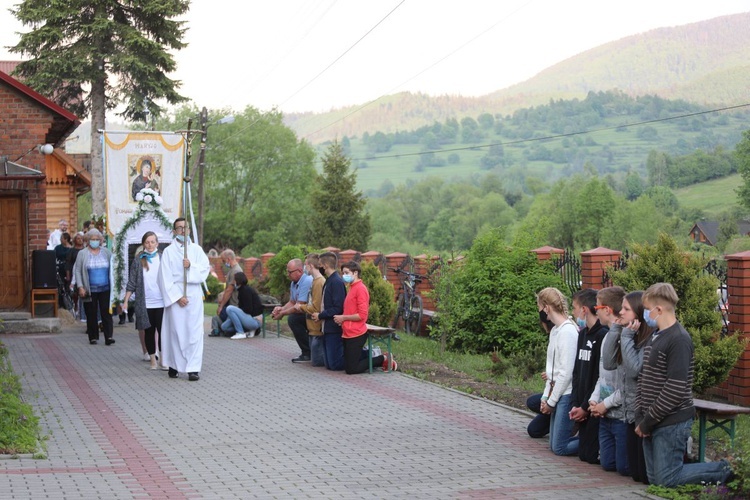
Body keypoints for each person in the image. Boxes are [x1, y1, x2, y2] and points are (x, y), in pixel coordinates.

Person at [635, 283, 733, 487]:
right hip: (651, 420)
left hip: (672, 420)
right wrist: (640, 416)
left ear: (659, 309)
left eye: (647, 310)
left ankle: (724, 470)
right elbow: (644, 378)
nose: (645, 314)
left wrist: (648, 420)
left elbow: (675, 388)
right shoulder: (654, 337)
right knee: (655, 479)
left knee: (667, 478)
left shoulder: (679, 339)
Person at [157, 218, 210, 381]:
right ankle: (174, 364)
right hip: (176, 295)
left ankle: (193, 368)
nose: (182, 231)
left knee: (193, 332)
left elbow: (204, 270)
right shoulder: (168, 252)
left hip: (193, 293)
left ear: (188, 230)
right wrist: (177, 297)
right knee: (176, 332)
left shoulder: (197, 250)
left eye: (185, 228)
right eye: (179, 228)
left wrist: (190, 266)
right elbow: (163, 278)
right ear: (174, 231)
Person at [612, 290, 653, 484]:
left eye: (626, 309)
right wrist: (616, 330)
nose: (620, 312)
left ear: (638, 314)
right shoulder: (628, 335)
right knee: (633, 473)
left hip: (641, 413)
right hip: (628, 414)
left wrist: (626, 337)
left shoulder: (647, 340)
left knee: (642, 475)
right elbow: (608, 363)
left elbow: (636, 370)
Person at [589, 286, 629, 476]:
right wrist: (595, 399)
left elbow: (626, 385)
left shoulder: (623, 338)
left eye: (596, 308)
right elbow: (602, 375)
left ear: (607, 310)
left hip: (619, 415)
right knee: (607, 464)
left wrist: (605, 404)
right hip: (605, 415)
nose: (595, 312)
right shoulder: (607, 337)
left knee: (623, 468)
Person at [537, 287, 578, 456]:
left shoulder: (568, 332)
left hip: (566, 393)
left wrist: (552, 402)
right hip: (556, 391)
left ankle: (594, 441)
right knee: (553, 445)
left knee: (559, 447)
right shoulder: (555, 330)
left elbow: (565, 373)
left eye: (539, 308)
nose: (539, 312)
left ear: (546, 307)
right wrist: (545, 397)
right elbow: (551, 369)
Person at [568, 288, 608, 464]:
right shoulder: (582, 333)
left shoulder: (602, 334)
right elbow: (577, 372)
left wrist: (585, 407)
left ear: (584, 309)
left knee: (589, 456)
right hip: (582, 404)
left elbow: (597, 376)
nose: (573, 312)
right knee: (583, 455)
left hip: (593, 405)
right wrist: (576, 404)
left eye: (574, 307)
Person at [334, 261, 395, 374]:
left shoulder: (360, 289)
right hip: (347, 331)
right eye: (343, 273)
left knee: (352, 369)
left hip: (356, 332)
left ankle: (383, 358)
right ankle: (374, 355)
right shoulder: (351, 288)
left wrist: (343, 318)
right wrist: (342, 320)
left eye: (347, 272)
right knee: (347, 364)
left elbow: (362, 315)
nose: (344, 276)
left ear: (355, 272)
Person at [123, 232, 166, 370]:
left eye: (153, 242)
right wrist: (125, 301)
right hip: (145, 303)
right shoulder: (138, 260)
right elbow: (132, 282)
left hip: (161, 302)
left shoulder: (162, 258)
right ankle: (152, 358)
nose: (150, 245)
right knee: (149, 331)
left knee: (162, 331)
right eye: (147, 242)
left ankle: (163, 358)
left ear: (157, 243)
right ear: (143, 244)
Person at [73, 228, 115, 345]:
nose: (95, 241)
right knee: (91, 313)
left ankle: (109, 336)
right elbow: (77, 271)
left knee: (106, 313)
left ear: (101, 240)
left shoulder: (106, 252)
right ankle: (93, 336)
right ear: (88, 240)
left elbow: (113, 268)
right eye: (92, 239)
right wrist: (80, 286)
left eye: (97, 239)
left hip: (105, 288)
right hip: (90, 288)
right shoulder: (82, 253)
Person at [271, 258, 313, 362]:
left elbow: (299, 306)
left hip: (313, 313)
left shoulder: (307, 281)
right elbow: (292, 302)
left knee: (293, 319)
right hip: (304, 311)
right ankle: (308, 350)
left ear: (299, 271)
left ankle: (308, 352)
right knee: (294, 318)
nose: (288, 274)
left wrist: (283, 314)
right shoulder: (294, 282)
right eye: (287, 271)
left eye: (290, 272)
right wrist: (280, 309)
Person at [311, 252, 346, 371]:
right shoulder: (329, 280)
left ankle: (370, 355)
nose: (319, 267)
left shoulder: (336, 282)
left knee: (335, 364)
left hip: (334, 328)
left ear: (325, 265)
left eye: (320, 264)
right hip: (326, 327)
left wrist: (321, 315)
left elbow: (338, 308)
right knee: (329, 365)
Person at [526, 317, 555, 438]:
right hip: (551, 390)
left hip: (561, 392)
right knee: (533, 430)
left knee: (558, 446)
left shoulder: (566, 334)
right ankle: (554, 417)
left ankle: (563, 420)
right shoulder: (553, 337)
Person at [297, 254, 326, 366]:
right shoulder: (315, 281)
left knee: (318, 363)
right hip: (312, 328)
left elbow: (316, 307)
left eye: (305, 265)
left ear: (311, 265)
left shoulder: (319, 282)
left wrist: (301, 307)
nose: (305, 268)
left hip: (316, 329)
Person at [209, 249, 243, 337]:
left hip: (234, 304)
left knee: (225, 327)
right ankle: (219, 329)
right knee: (216, 318)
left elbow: (229, 290)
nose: (224, 263)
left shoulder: (236, 271)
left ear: (228, 259)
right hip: (230, 304)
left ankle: (239, 329)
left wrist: (221, 306)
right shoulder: (232, 270)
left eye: (224, 261)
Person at [222, 272, 263, 339]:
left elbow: (248, 309)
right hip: (248, 318)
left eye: (234, 280)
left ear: (238, 280)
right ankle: (248, 330)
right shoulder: (240, 291)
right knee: (224, 327)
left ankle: (240, 332)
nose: (233, 282)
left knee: (229, 308)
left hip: (254, 320)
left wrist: (238, 312)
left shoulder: (246, 291)